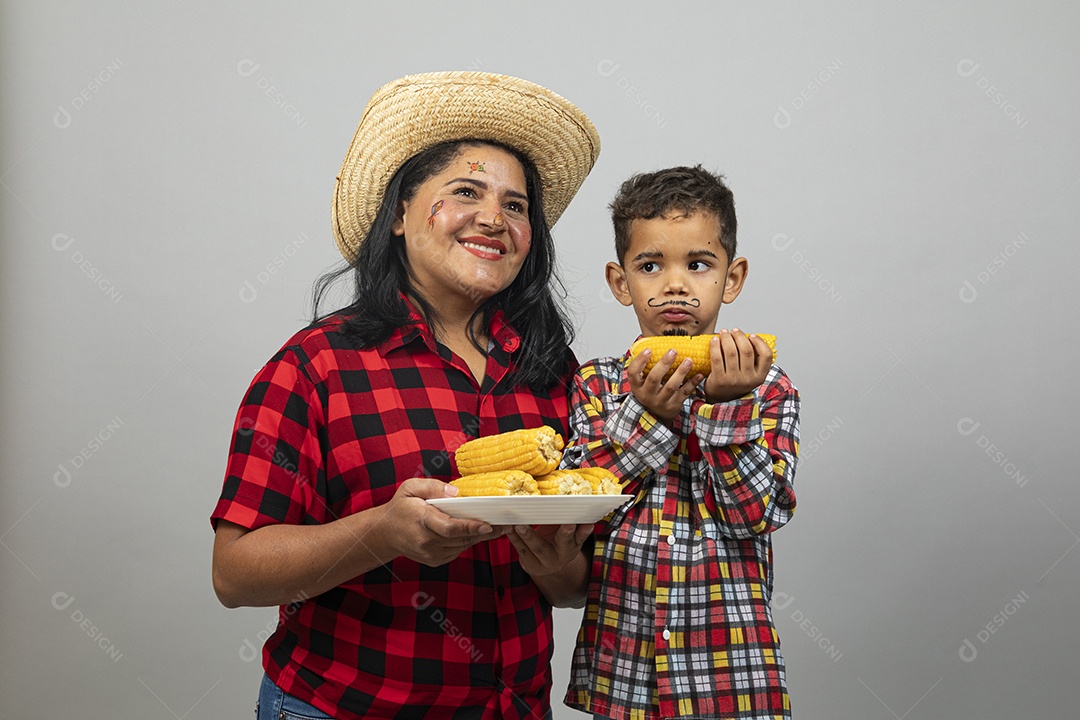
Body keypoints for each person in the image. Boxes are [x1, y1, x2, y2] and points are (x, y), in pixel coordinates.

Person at [210, 71, 600, 720]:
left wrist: (558, 565)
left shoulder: (556, 373)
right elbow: (234, 572)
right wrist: (381, 533)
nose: (492, 218)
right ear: (398, 215)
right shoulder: (315, 367)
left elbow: (572, 588)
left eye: (515, 204)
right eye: (466, 192)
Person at [561, 166, 800, 719]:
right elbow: (582, 507)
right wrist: (647, 414)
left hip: (733, 671)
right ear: (621, 283)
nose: (675, 284)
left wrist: (725, 409)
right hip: (624, 670)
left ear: (732, 278)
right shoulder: (597, 384)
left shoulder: (766, 387)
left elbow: (757, 514)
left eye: (698, 264)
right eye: (650, 265)